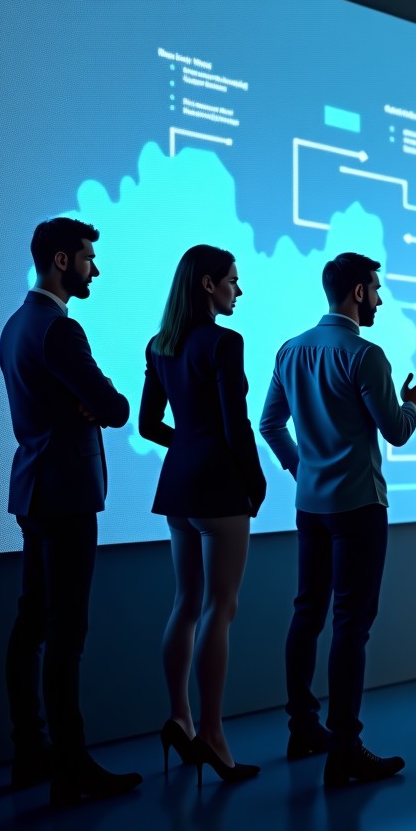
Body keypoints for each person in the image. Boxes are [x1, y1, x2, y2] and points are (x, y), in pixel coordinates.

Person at [259, 252, 416, 787]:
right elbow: (396, 431)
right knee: (351, 625)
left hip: (311, 505)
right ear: (357, 292)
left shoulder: (290, 350)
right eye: (375, 289)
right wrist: (413, 403)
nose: (378, 299)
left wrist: (300, 467)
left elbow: (270, 424)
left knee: (306, 614)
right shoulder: (366, 354)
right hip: (358, 506)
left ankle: (304, 728)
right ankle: (346, 748)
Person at [0, 216, 142, 805]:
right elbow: (113, 406)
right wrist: (99, 401)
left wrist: (83, 402)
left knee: (31, 624)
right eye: (87, 258)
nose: (94, 269)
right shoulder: (60, 330)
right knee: (66, 632)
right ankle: (71, 765)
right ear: (61, 261)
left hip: (33, 489)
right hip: (66, 496)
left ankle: (31, 751)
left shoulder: (15, 325)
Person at [139, 245, 266, 785]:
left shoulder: (159, 344)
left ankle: (179, 719)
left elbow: (148, 425)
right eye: (233, 281)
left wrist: (189, 443)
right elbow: (236, 426)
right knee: (222, 607)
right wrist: (254, 478)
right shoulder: (224, 341)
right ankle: (213, 735)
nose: (239, 290)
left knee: (186, 604)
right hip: (219, 489)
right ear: (209, 284)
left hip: (178, 486)